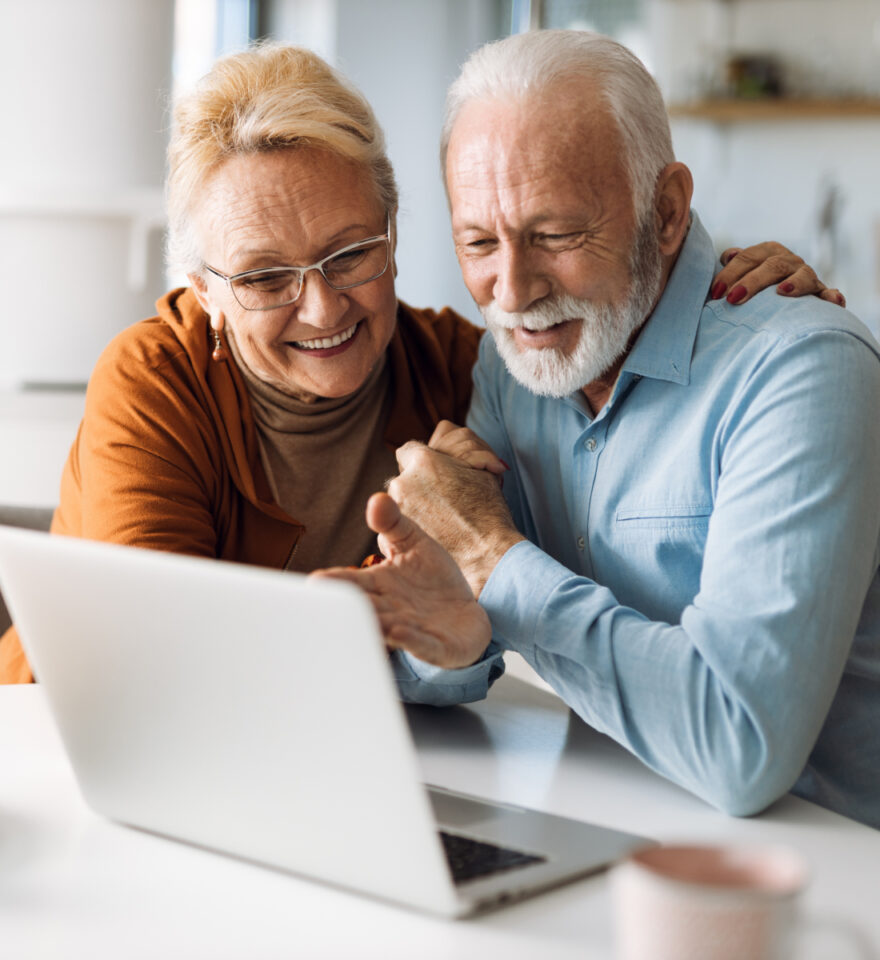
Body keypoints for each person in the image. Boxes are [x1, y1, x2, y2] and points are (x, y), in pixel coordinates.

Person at [0, 42, 834, 686]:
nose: (324, 309)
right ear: (205, 290)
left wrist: (717, 281)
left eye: (350, 253)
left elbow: (608, 345)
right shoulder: (153, 380)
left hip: (338, 771)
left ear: (396, 235)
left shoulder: (468, 370)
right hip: (56, 747)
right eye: (262, 278)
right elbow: (159, 664)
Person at [318, 30, 880, 830]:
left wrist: (492, 562)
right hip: (608, 825)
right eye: (478, 241)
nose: (510, 291)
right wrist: (440, 633)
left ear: (668, 211)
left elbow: (741, 745)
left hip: (828, 868)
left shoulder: (801, 370)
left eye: (555, 235)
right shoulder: (515, 369)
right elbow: (472, 629)